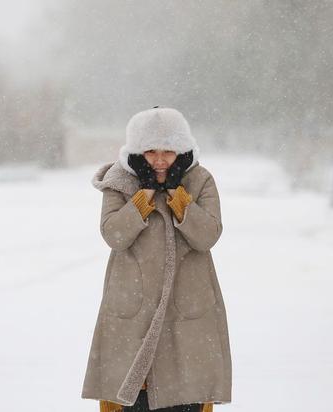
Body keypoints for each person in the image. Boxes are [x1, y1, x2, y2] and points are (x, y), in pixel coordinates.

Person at [81, 106, 232, 411]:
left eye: (169, 151)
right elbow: (114, 235)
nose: (160, 160)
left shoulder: (200, 180)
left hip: (187, 309)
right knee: (131, 393)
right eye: (150, 151)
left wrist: (178, 195)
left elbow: (208, 236)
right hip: (131, 309)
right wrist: (145, 194)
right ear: (137, 152)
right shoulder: (119, 181)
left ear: (183, 150)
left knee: (185, 391)